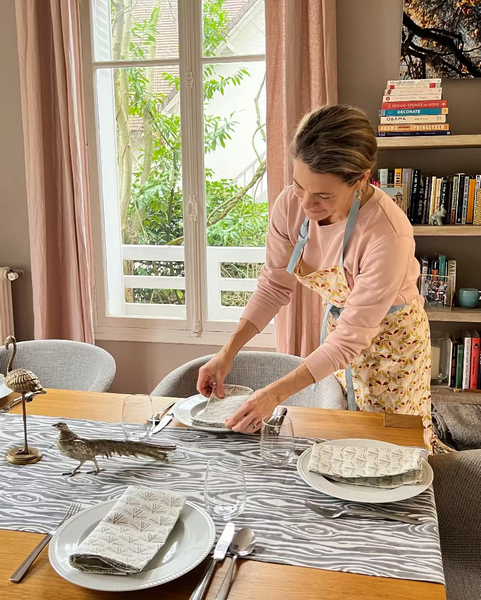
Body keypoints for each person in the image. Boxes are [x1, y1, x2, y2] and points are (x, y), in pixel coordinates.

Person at [196, 105, 432, 447]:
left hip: (394, 350)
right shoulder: (290, 205)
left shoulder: (388, 235)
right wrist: (227, 352)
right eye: (299, 186)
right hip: (339, 339)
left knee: (390, 447)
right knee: (340, 437)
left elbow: (353, 336)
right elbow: (274, 285)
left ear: (362, 179)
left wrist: (273, 395)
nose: (306, 204)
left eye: (323, 195)